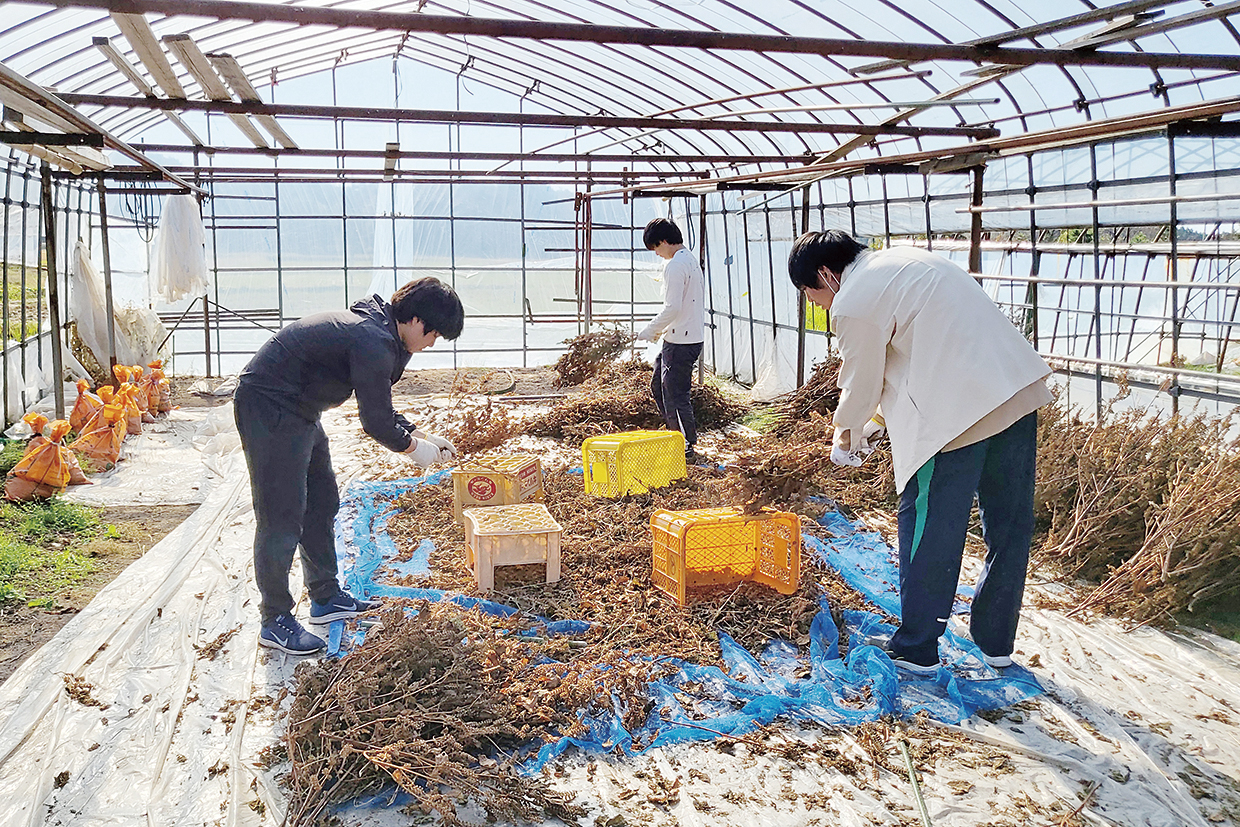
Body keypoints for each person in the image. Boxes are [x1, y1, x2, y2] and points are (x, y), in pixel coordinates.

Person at [787, 231, 1051, 674]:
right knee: (1008, 526)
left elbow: (861, 381)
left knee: (929, 528)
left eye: (811, 294)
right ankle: (995, 642)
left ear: (827, 275)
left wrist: (846, 434)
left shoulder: (852, 300)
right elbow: (923, 354)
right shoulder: (909, 262)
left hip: (955, 417)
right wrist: (876, 424)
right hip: (1015, 396)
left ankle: (916, 649)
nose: (817, 305)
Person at [234, 276, 465, 655]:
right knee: (282, 516)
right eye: (434, 335)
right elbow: (374, 421)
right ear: (418, 321)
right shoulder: (371, 340)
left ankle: (325, 598)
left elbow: (382, 404)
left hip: (301, 410)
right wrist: (414, 450)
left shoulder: (384, 333)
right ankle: (274, 618)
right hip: (269, 405)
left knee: (323, 501)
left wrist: (419, 433)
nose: (431, 345)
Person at [636, 217, 706, 460]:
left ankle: (685, 444)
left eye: (656, 247)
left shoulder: (675, 265)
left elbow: (672, 308)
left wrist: (651, 330)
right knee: (659, 385)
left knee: (675, 393)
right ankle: (677, 435)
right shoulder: (689, 259)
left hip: (681, 340)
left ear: (665, 241)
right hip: (684, 337)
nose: (656, 253)